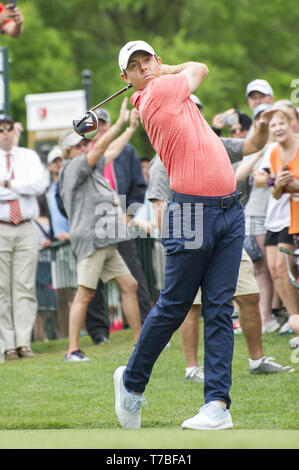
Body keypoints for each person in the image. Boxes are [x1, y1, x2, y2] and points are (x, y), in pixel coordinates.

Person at [113, 40, 245, 431]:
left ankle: (217, 405)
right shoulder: (156, 93)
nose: (145, 68)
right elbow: (201, 66)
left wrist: (162, 68)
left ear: (155, 60)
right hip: (190, 211)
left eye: (147, 60)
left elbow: (195, 72)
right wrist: (166, 69)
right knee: (174, 305)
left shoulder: (168, 90)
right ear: (127, 80)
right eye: (135, 67)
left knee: (220, 309)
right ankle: (131, 383)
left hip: (229, 210)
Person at [148, 143, 294, 382]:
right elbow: (159, 204)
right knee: (191, 305)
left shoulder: (211, 148)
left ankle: (257, 361)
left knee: (249, 294)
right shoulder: (163, 157)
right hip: (188, 232)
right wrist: (172, 243)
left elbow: (239, 167)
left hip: (224, 230)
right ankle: (192, 367)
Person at [59, 102, 142, 361]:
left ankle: (141, 343)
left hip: (106, 239)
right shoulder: (71, 167)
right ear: (68, 152)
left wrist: (130, 127)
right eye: (79, 145)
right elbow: (102, 148)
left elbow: (112, 150)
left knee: (130, 285)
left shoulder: (89, 168)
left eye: (85, 144)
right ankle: (72, 350)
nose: (85, 147)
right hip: (91, 239)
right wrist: (117, 124)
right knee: (85, 293)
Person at [85, 103, 152, 347]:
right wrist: (128, 127)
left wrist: (129, 214)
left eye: (104, 123)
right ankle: (98, 333)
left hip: (119, 218)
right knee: (90, 283)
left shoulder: (127, 153)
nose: (101, 128)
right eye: (97, 123)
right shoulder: (86, 153)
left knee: (134, 277)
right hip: (92, 222)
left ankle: (147, 327)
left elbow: (138, 187)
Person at [0, 114, 48, 360]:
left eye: (9, 128)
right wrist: (20, 187)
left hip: (27, 226)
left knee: (25, 286)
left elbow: (38, 186)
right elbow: (27, 186)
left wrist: (8, 183)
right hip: (2, 226)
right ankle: (7, 344)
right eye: (1, 129)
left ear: (14, 131)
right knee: (2, 288)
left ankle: (23, 342)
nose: (5, 133)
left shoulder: (28, 156)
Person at [235, 103, 279, 333]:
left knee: (276, 268)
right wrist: (258, 154)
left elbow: (265, 178)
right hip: (255, 213)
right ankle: (264, 318)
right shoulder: (257, 147)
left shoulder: (283, 145)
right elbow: (240, 175)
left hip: (274, 214)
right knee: (260, 268)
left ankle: (271, 316)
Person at [267, 105, 299, 338]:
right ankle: (295, 322)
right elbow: (276, 193)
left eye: (281, 123)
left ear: (291, 124)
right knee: (288, 271)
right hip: (293, 218)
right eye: (273, 125)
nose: (278, 128)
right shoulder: (274, 153)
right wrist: (279, 184)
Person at [46, 145, 77, 339]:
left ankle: (80, 333)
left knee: (79, 291)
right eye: (55, 161)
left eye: (61, 160)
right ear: (49, 166)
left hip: (74, 241)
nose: (59, 164)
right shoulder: (46, 191)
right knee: (62, 294)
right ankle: (65, 336)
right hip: (57, 247)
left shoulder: (70, 185)